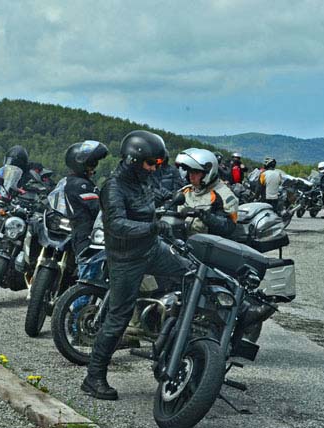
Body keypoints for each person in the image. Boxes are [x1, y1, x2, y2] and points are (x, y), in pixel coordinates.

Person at [81, 130, 188, 401]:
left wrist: (175, 199)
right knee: (117, 317)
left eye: (157, 164)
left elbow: (156, 196)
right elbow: (116, 224)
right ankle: (93, 377)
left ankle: (173, 343)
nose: (154, 168)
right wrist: (153, 226)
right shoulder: (113, 187)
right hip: (126, 258)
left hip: (152, 249)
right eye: (150, 163)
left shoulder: (143, 180)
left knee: (190, 273)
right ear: (132, 160)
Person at [175, 148, 238, 238]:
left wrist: (202, 215)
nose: (191, 176)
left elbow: (228, 227)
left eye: (195, 172)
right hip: (181, 243)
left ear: (208, 173)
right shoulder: (185, 191)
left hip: (207, 246)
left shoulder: (223, 195)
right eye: (189, 172)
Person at [63, 140, 109, 258]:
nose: (93, 167)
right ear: (79, 163)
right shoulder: (81, 185)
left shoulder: (69, 181)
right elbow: (98, 208)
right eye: (91, 164)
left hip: (80, 233)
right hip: (87, 235)